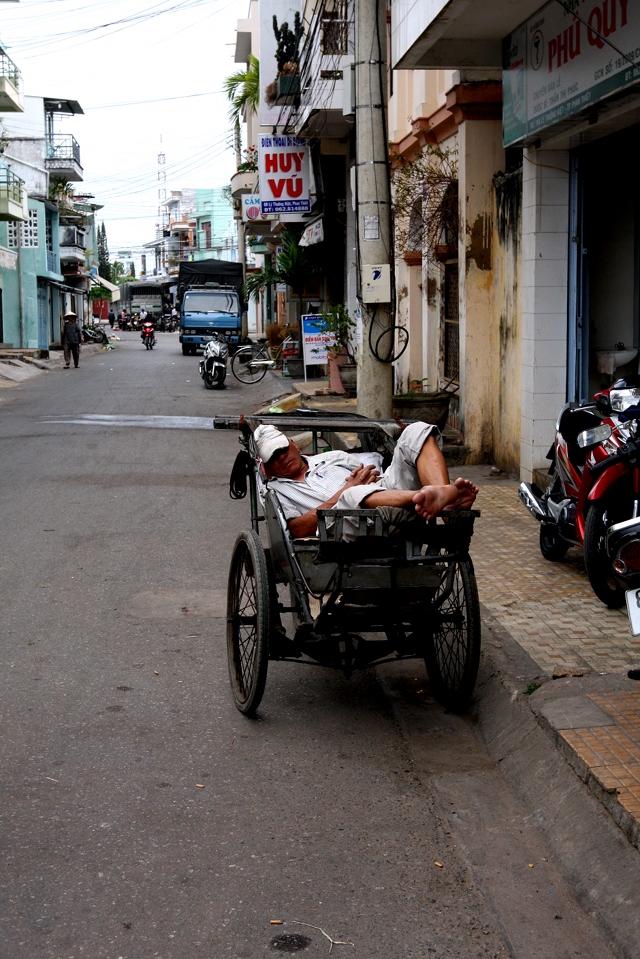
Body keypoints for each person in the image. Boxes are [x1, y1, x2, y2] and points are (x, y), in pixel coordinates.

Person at [254, 422, 478, 540]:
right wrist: (346, 490)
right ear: (266, 466)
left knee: (415, 432)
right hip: (345, 525)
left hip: (386, 499)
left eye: (282, 449)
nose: (281, 457)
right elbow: (296, 529)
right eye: (273, 457)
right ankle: (426, 497)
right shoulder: (276, 490)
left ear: (293, 444)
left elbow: (374, 476)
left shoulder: (333, 457)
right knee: (351, 495)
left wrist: (371, 483)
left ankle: (444, 500)